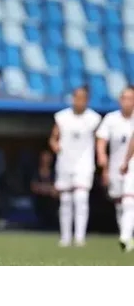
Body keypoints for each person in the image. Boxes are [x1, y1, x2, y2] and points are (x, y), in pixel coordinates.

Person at [48, 86, 101, 247]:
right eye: (76, 98)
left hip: (84, 163)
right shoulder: (62, 117)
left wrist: (100, 156)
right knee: (65, 200)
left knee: (81, 198)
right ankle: (65, 237)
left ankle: (79, 237)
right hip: (65, 163)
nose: (79, 101)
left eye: (82, 98)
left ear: (87, 100)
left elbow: (99, 139)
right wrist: (55, 146)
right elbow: (53, 138)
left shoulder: (94, 118)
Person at [96, 85, 134, 251]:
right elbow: (101, 139)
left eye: (131, 98)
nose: (127, 102)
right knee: (120, 203)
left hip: (131, 166)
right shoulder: (111, 119)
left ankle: (125, 237)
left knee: (129, 200)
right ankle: (126, 237)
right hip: (116, 166)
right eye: (124, 98)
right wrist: (102, 157)